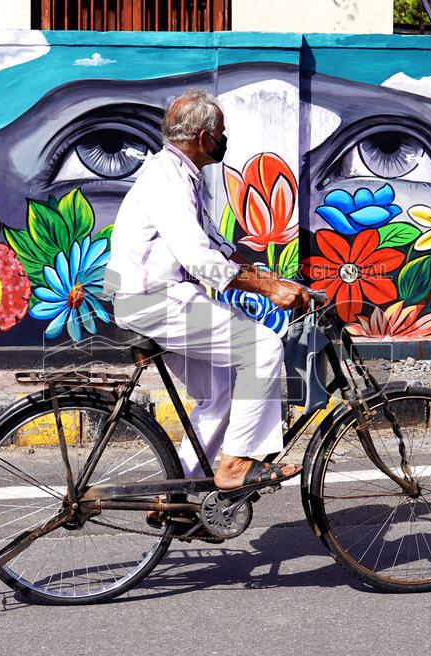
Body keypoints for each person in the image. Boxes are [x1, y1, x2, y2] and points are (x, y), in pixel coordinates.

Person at [103, 88, 309, 491]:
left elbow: (219, 248)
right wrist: (268, 291)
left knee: (221, 396)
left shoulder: (181, 175)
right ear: (204, 139)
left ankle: (180, 494)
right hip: (157, 302)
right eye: (221, 134)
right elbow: (200, 259)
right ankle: (234, 466)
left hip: (166, 300)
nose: (223, 142)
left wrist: (276, 280)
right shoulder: (167, 180)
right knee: (262, 347)